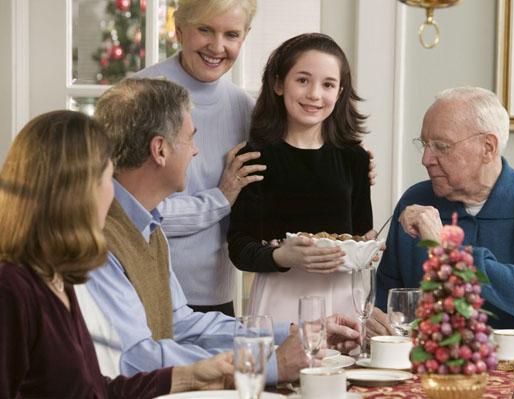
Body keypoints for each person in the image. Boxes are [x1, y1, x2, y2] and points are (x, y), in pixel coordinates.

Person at [84, 78, 360, 385]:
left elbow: (183, 324)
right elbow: (135, 358)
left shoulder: (149, 225)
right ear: (160, 150)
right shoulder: (99, 241)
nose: (196, 152)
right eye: (190, 139)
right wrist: (268, 363)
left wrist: (298, 332)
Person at [136, 0, 376, 316]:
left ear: (245, 36)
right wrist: (220, 199)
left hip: (217, 292)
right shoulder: (140, 95)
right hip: (148, 286)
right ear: (179, 29)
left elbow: (358, 231)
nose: (217, 46)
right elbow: (131, 207)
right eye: (205, 29)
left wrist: (355, 167)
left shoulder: (243, 110)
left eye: (231, 34)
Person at [0, 110, 234, 399]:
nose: (112, 195)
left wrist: (187, 377)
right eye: (108, 178)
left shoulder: (58, 279)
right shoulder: (11, 288)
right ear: (75, 191)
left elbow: (94, 390)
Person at [370, 86, 514, 343]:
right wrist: (376, 322)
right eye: (424, 144)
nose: (426, 159)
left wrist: (451, 252)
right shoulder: (414, 201)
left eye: (441, 146)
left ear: (488, 147)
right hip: (430, 369)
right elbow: (388, 299)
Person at [227, 33, 373, 323]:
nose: (315, 94)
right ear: (279, 84)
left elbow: (362, 234)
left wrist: (369, 249)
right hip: (278, 303)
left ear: (340, 91)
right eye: (303, 80)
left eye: (328, 84)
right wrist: (284, 256)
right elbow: (240, 249)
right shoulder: (255, 158)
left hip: (344, 299)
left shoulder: (354, 158)